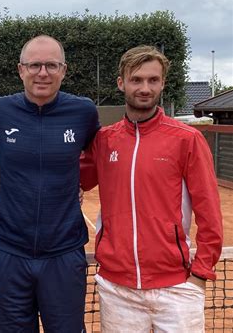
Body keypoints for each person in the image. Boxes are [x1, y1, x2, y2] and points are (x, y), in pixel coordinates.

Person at [80, 45, 223, 332]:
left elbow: (209, 211)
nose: (145, 88)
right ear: (121, 83)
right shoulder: (104, 140)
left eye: (153, 80)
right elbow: (74, 179)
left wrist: (200, 273)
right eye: (136, 80)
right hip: (117, 288)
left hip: (177, 287)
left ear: (162, 83)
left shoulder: (187, 139)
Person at [0, 35, 100, 332]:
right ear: (21, 70)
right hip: (9, 253)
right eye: (35, 65)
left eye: (51, 65)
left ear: (64, 70)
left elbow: (98, 156)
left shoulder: (83, 111)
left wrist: (78, 184)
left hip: (64, 253)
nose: (42, 72)